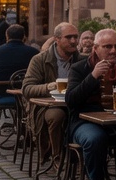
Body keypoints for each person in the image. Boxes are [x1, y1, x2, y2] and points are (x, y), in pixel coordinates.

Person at [66, 28, 116, 180]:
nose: (113, 51)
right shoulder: (79, 68)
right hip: (85, 120)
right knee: (95, 139)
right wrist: (93, 76)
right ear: (95, 48)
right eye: (108, 46)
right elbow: (71, 100)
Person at [22, 22, 87, 164]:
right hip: (48, 106)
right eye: (68, 37)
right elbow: (26, 89)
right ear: (56, 39)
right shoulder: (40, 59)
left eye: (76, 37)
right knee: (57, 116)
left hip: (76, 103)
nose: (73, 41)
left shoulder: (82, 60)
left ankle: (85, 157)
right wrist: (49, 87)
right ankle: (56, 156)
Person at [0, 25, 39, 107]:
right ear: (23, 37)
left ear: (7, 36)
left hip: (0, 95)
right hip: (25, 95)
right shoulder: (34, 52)